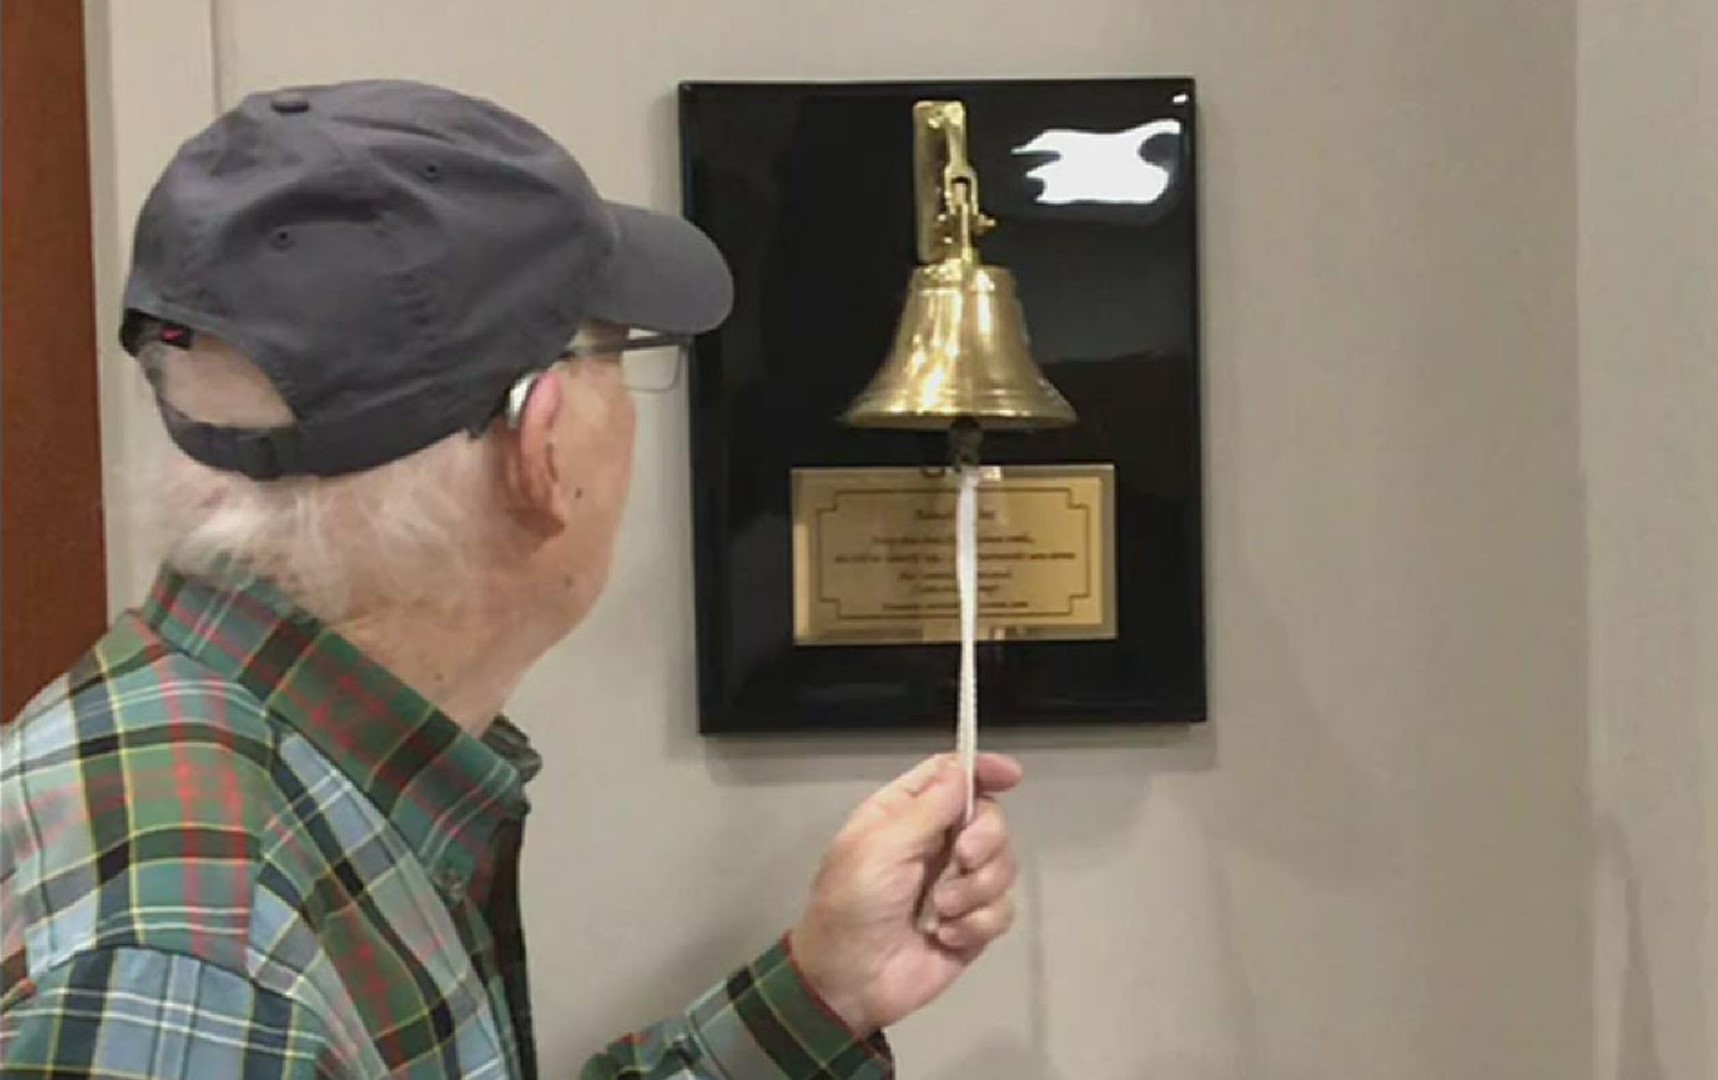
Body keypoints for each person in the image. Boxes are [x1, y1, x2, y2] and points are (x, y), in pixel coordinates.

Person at [0, 80, 1020, 1079]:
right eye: (616, 356)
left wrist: (819, 997)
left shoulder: (272, 782)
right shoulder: (200, 970)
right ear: (543, 449)